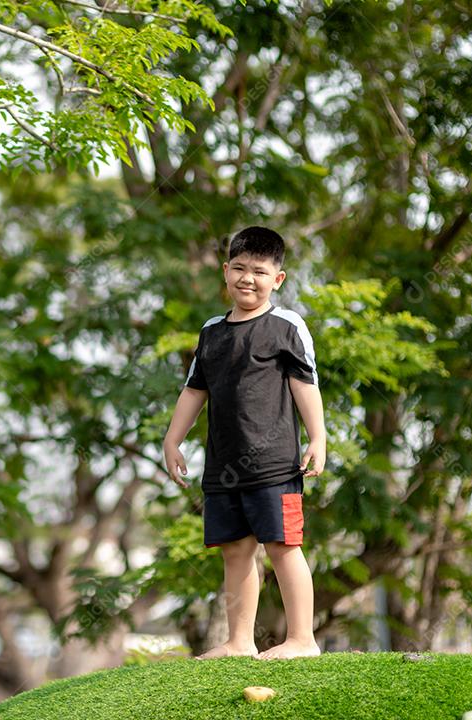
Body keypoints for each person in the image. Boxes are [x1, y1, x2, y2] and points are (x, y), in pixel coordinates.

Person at [161, 226, 326, 660]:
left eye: (258, 271)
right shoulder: (212, 332)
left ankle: (302, 641)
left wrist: (318, 438)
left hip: (275, 465)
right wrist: (172, 440)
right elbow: (194, 390)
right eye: (239, 268)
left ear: (278, 279)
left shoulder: (286, 326)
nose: (247, 278)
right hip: (222, 466)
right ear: (225, 271)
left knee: (283, 548)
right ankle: (238, 642)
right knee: (235, 551)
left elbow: (305, 385)